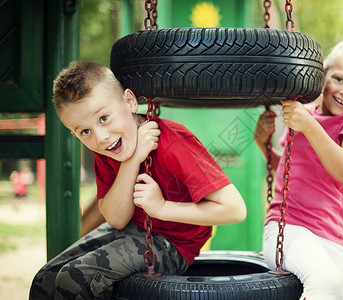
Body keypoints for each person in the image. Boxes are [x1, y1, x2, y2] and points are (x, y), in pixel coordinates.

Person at [30, 61, 246, 299]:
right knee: (45, 278)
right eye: (85, 131)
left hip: (173, 245)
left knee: (74, 278)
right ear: (74, 133)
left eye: (103, 118)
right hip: (132, 229)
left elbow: (235, 209)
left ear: (130, 101)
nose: (101, 137)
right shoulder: (106, 149)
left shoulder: (171, 144)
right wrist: (131, 162)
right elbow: (116, 218)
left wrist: (162, 208)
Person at [254, 40, 343, 300]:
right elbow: (292, 170)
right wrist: (263, 143)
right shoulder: (303, 115)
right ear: (323, 76)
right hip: (287, 228)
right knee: (326, 282)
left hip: (334, 236)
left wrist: (309, 125)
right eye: (338, 79)